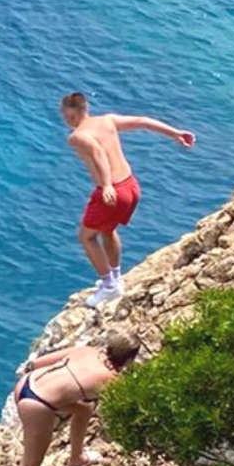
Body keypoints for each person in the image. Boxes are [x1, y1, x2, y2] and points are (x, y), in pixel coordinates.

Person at [60, 92, 195, 307]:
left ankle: (109, 287)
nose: (64, 118)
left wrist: (105, 185)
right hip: (131, 186)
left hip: (111, 191)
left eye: (65, 114)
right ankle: (115, 277)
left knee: (86, 237)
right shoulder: (107, 120)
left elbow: (98, 153)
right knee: (107, 229)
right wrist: (175, 133)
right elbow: (143, 122)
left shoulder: (77, 136)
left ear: (72, 113)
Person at [0, 329, 141, 466]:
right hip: (37, 405)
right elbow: (123, 407)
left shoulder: (87, 351)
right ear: (128, 359)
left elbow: (36, 363)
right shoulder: (110, 379)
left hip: (26, 384)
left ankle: (77, 458)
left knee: (84, 410)